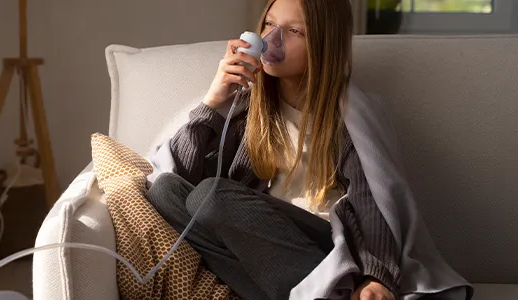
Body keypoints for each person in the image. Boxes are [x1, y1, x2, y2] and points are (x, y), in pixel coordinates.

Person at [145, 0, 400, 299]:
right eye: (269, 24)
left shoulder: (347, 119)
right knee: (165, 190)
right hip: (262, 254)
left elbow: (371, 202)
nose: (271, 40)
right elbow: (183, 179)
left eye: (293, 30)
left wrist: (376, 277)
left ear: (323, 43)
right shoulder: (248, 111)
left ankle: (328, 285)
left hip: (323, 246)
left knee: (211, 196)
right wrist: (213, 102)